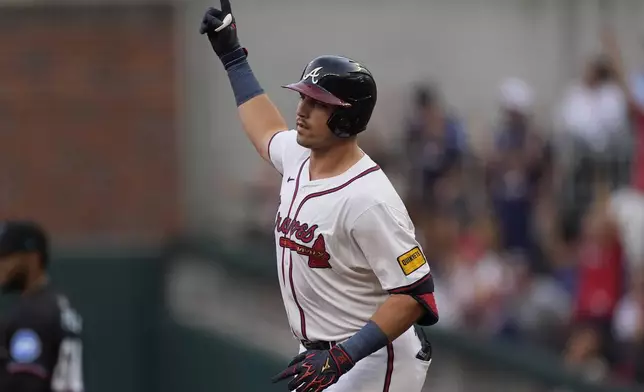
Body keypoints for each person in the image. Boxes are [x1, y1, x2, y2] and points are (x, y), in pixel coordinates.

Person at [200, 2, 438, 391]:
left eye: (317, 104)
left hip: (372, 358)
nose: (302, 110)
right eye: (304, 98)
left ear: (347, 116)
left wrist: (343, 356)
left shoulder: (369, 199)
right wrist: (231, 57)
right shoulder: (300, 154)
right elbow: (265, 131)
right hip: (322, 354)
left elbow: (415, 295)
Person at [0, 221, 84, 392]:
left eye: (4, 257)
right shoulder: (59, 304)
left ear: (32, 258)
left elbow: (24, 384)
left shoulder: (31, 315)